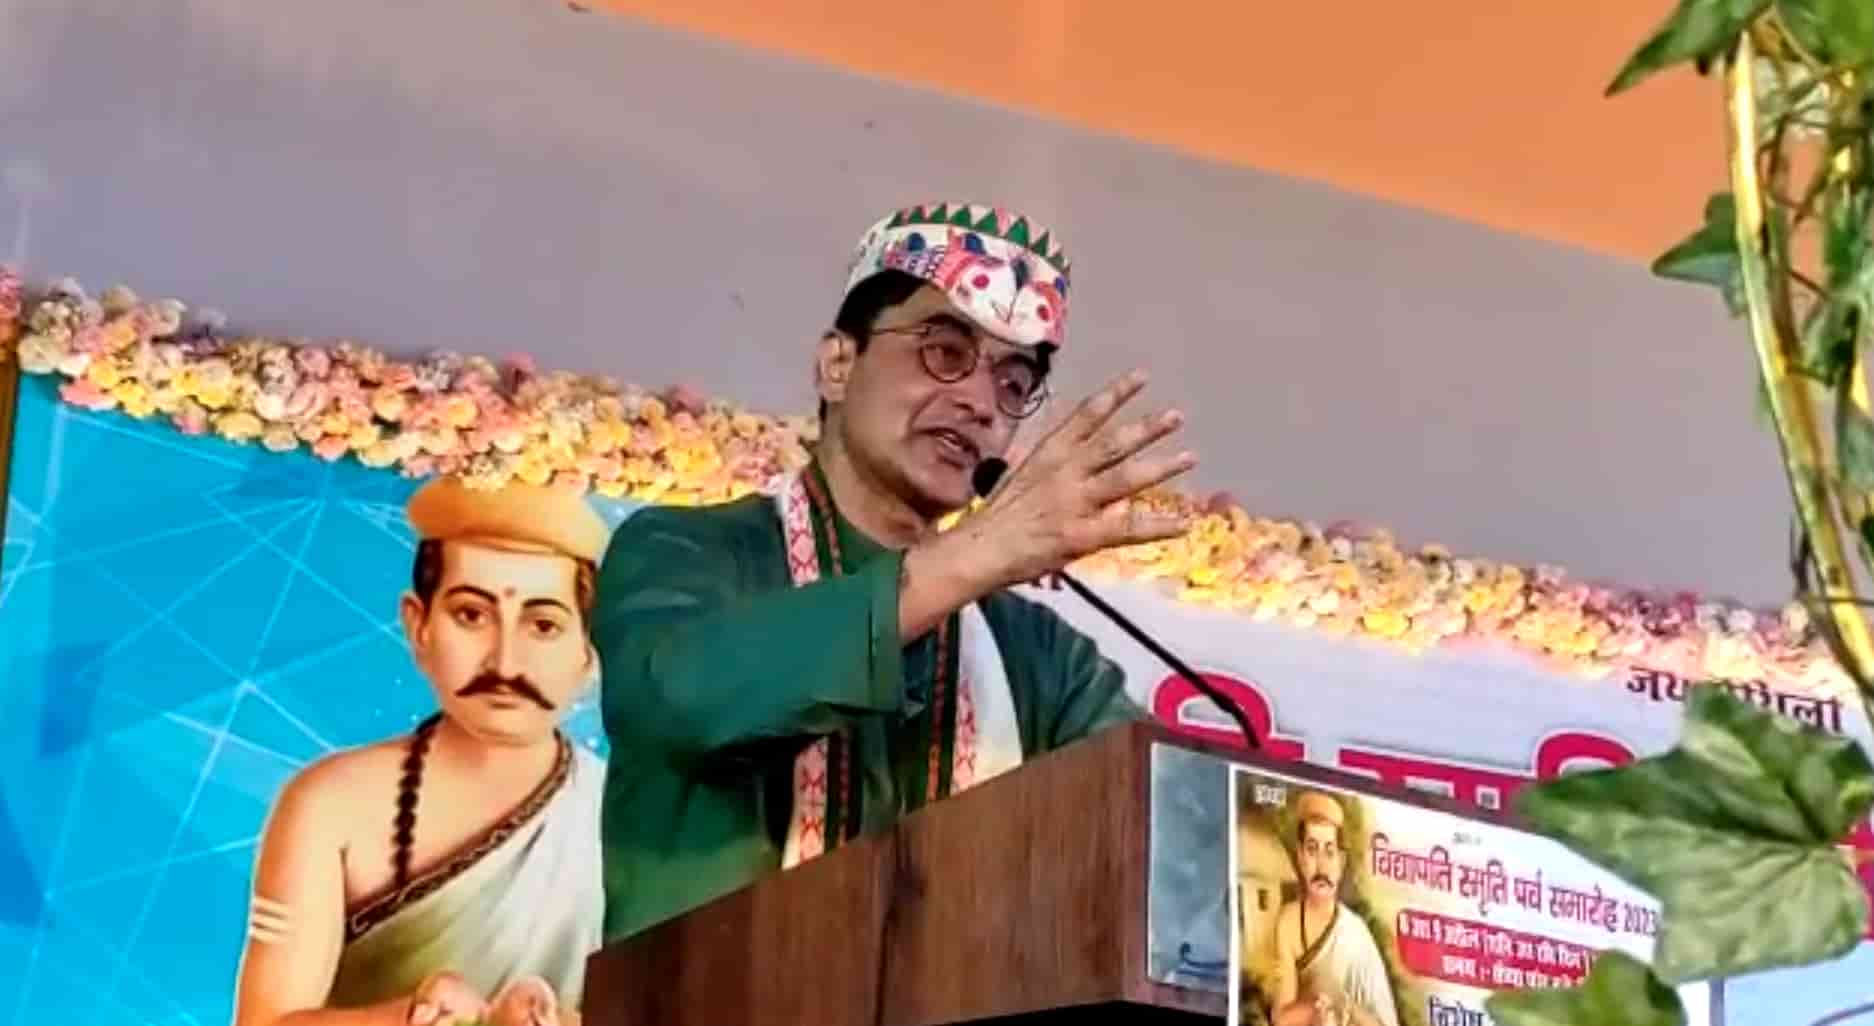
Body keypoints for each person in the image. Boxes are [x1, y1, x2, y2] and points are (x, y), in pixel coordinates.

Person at [591, 201, 1201, 942]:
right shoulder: (688, 551)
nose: (981, 402)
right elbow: (681, 703)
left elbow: (1173, 840)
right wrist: (976, 552)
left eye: (1014, 383)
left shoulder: (1040, 657)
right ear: (838, 364)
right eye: (944, 351)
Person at [231, 478, 610, 1026]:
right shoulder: (329, 804)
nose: (505, 661)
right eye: (472, 615)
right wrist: (413, 1016)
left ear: (589, 652)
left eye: (544, 625)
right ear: (418, 626)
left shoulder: (624, 814)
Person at [1270, 792, 1400, 1026]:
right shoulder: (1289, 922)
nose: (1321, 865)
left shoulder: (1356, 935)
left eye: (1329, 852)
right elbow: (1281, 1018)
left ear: (1341, 862)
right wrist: (1316, 1006)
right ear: (1300, 856)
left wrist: (1346, 1007)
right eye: (1312, 850)